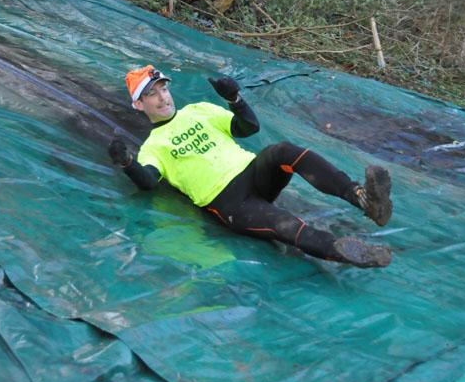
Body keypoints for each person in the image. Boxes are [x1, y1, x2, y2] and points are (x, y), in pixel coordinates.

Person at [109, 65, 393, 267]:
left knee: (281, 151)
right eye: (152, 94)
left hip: (254, 174)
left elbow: (248, 128)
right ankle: (349, 252)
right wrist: (128, 163)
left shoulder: (199, 111)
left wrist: (235, 100)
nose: (163, 97)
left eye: (164, 88)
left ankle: (363, 198)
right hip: (231, 203)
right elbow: (148, 181)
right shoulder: (153, 147)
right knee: (283, 223)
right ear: (139, 105)